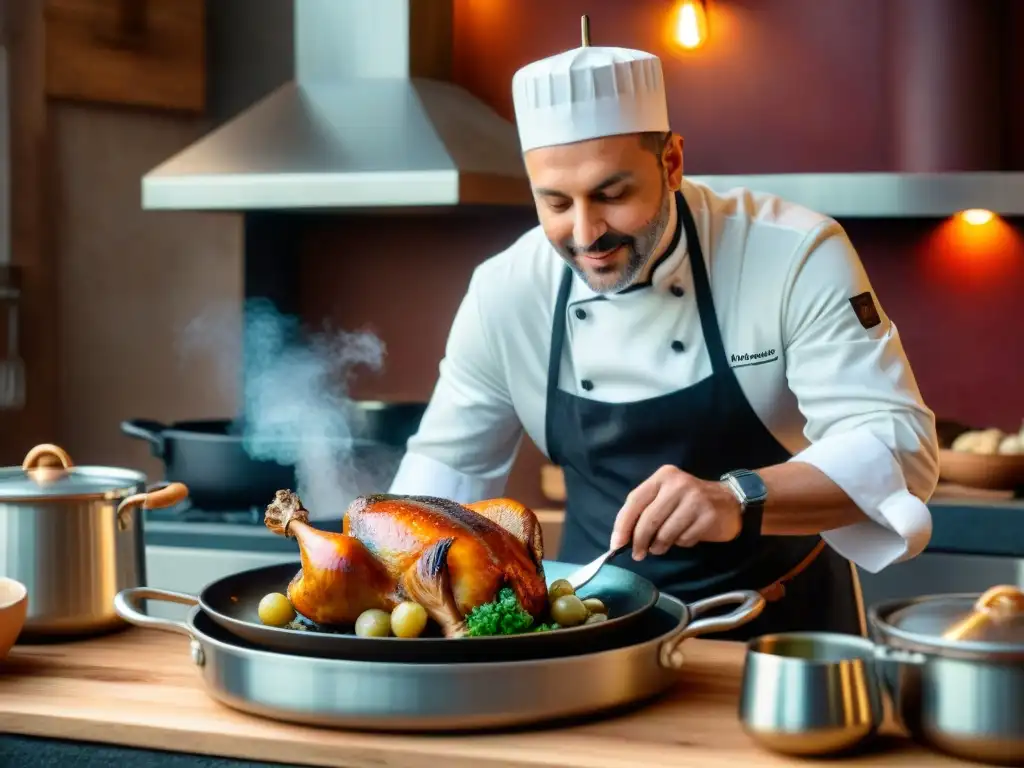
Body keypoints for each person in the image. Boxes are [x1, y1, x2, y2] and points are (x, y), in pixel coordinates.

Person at [388, 26, 939, 638]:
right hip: (592, 632)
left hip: (779, 633)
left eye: (612, 193)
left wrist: (737, 498)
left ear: (671, 162)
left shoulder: (792, 253)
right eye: (556, 203)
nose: (586, 232)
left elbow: (898, 447)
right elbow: (442, 479)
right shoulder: (506, 291)